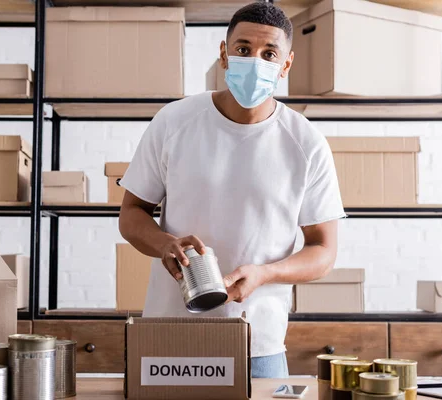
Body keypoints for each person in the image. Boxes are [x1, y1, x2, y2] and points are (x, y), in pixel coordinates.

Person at [118, 2, 345, 379]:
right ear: (224, 54)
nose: (254, 61)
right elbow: (132, 212)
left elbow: (323, 251)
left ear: (285, 65)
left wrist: (265, 274)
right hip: (171, 335)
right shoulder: (174, 121)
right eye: (243, 49)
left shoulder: (306, 143)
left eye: (269, 53)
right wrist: (163, 244)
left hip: (259, 343)